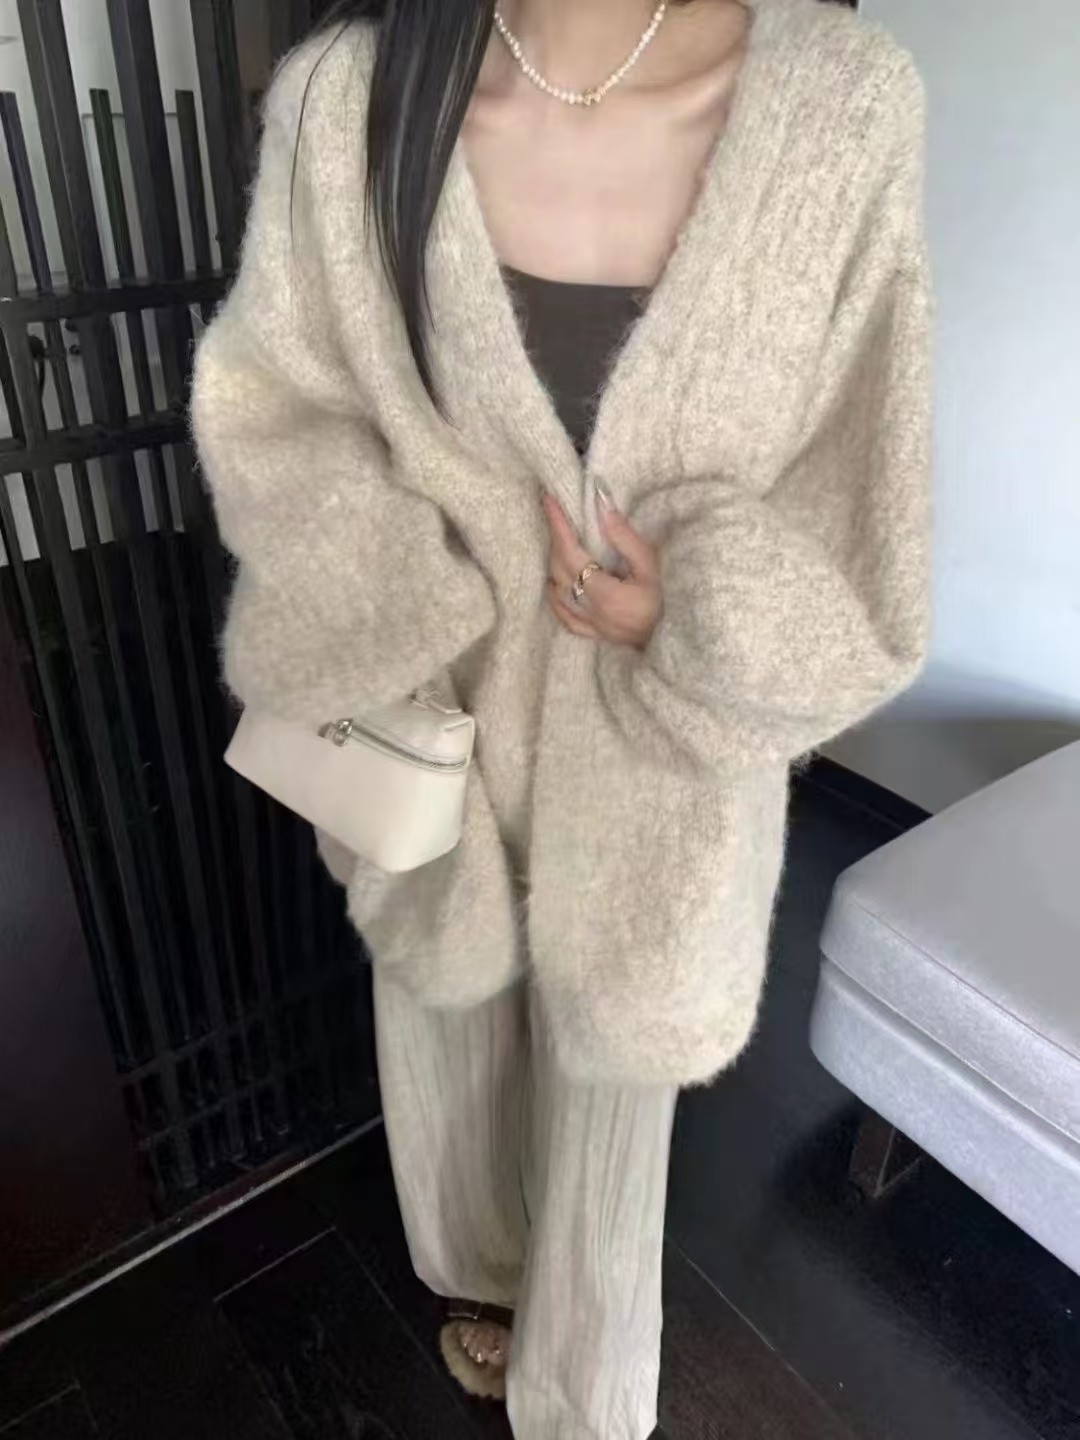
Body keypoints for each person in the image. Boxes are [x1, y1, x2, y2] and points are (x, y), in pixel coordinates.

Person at [192, 0, 932, 1433]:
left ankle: (585, 1394)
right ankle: (482, 1270)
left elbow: (862, 486)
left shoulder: (841, 105)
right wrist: (406, 596)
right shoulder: (350, 103)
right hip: (435, 711)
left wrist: (691, 615)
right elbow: (279, 401)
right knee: (446, 1017)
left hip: (664, 743)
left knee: (611, 1106)